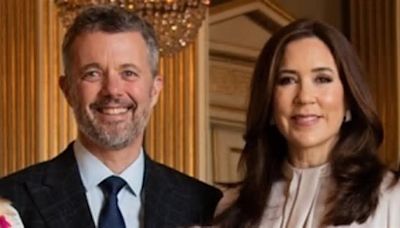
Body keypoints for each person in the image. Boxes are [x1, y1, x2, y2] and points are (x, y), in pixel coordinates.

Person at [0, 5, 221, 228]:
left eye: (129, 73)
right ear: (67, 90)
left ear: (155, 90)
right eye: (93, 73)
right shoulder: (11, 200)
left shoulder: (206, 206)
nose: (113, 90)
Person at [214, 19, 400, 227]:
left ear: (348, 96)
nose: (304, 97)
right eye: (287, 80)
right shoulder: (229, 207)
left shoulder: (392, 197)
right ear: (269, 100)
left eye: (322, 79)